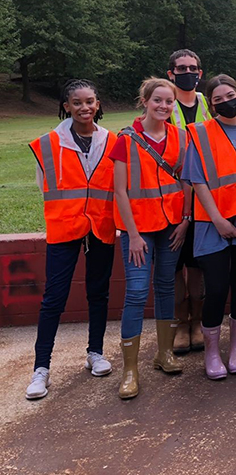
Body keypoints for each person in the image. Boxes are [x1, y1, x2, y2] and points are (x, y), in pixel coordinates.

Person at [25, 80, 117, 400]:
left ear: (98, 102)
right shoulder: (48, 143)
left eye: (90, 101)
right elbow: (43, 185)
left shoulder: (112, 140)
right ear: (66, 106)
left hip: (102, 227)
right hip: (64, 227)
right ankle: (41, 369)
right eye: (77, 102)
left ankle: (96, 352)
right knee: (54, 298)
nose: (84, 107)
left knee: (98, 293)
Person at [110, 78, 190, 399]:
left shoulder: (181, 137)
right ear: (144, 101)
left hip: (171, 226)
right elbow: (119, 190)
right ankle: (130, 370)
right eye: (157, 100)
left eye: (169, 102)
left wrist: (185, 221)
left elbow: (186, 181)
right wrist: (132, 234)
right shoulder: (125, 140)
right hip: (138, 231)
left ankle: (164, 353)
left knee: (167, 286)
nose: (164, 106)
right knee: (137, 291)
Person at [182, 74, 236, 379]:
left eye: (229, 95)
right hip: (212, 224)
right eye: (216, 99)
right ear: (210, 103)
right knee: (216, 288)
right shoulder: (200, 133)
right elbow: (197, 179)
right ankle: (212, 352)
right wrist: (217, 218)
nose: (225, 102)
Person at [166, 49, 208, 354]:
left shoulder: (208, 103)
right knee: (174, 266)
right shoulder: (164, 103)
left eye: (193, 68)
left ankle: (198, 322)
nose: (188, 72)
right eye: (181, 68)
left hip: (203, 197)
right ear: (171, 74)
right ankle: (181, 323)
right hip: (170, 199)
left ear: (200, 73)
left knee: (196, 267)